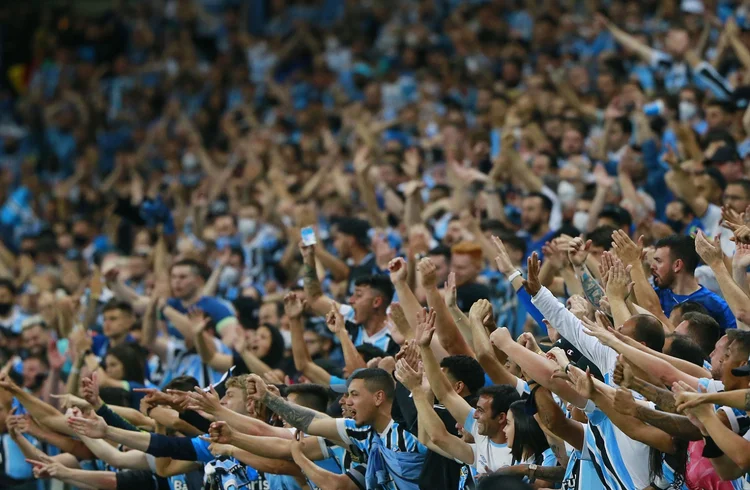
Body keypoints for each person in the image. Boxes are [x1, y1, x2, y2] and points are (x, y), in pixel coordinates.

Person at [650, 235, 736, 329]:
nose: (652, 267)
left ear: (677, 265)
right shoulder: (655, 296)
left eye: (658, 261)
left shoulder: (717, 306)